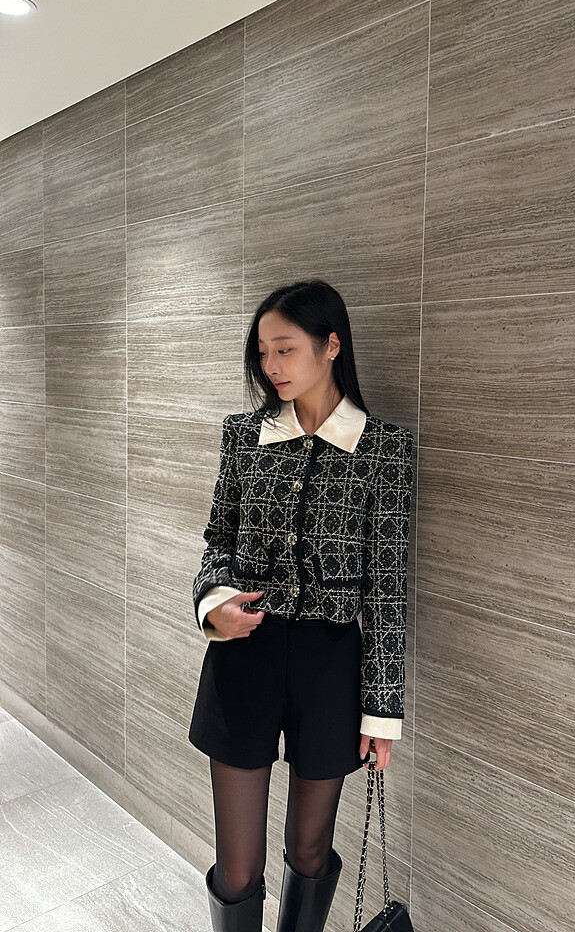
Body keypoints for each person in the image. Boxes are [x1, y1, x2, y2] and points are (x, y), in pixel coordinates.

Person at [187, 279, 413, 932]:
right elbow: (218, 542)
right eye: (263, 352)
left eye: (284, 349)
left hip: (330, 663)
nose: (271, 366)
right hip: (244, 654)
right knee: (238, 867)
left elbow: (388, 588)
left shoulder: (383, 451)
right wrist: (214, 605)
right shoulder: (243, 436)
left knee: (310, 852)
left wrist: (382, 710)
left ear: (331, 345)